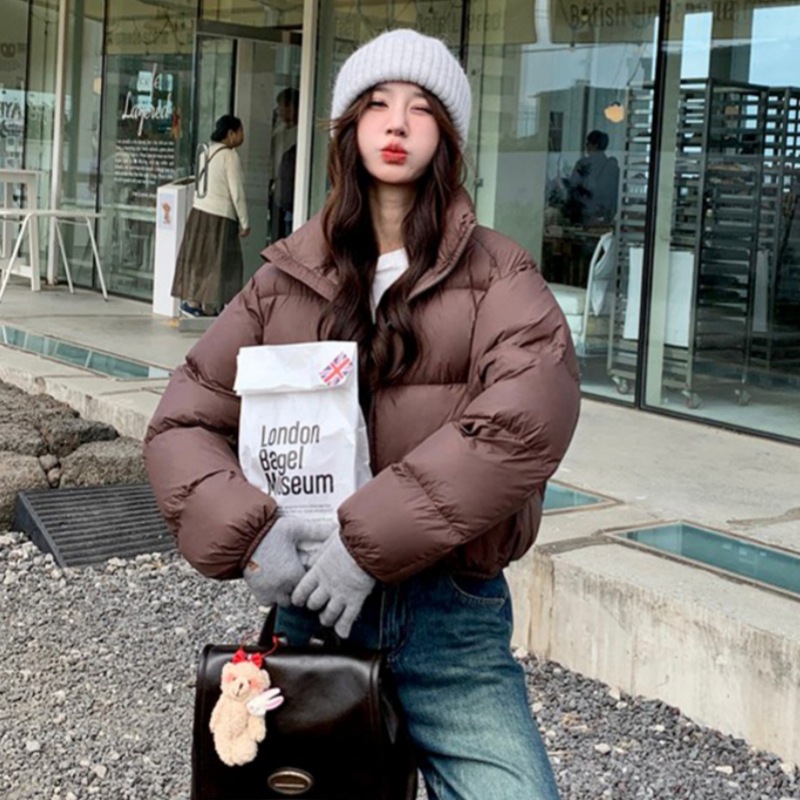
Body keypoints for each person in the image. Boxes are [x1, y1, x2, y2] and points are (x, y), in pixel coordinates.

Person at [145, 29, 580, 800]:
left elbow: (524, 421)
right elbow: (183, 423)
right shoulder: (283, 279)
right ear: (348, 127)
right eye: (377, 104)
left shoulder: (499, 273)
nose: (398, 122)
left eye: (422, 107)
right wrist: (251, 535)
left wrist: (368, 541)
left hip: (450, 620)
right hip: (313, 610)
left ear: (447, 135)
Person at [171, 114, 250, 317]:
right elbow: (237, 192)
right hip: (220, 216)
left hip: (199, 213)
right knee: (220, 262)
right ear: (231, 133)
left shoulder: (204, 152)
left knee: (200, 260)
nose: (243, 136)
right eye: (240, 131)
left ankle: (194, 303)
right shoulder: (230, 156)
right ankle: (212, 306)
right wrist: (244, 221)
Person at [564, 129, 620, 227]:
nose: (586, 147)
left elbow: (573, 186)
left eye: (588, 143)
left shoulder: (583, 163)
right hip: (605, 216)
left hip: (584, 213)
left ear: (595, 145)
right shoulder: (612, 166)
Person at [268, 88, 299, 241]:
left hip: (293, 191)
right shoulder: (278, 131)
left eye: (283, 106)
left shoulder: (302, 133)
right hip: (277, 190)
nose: (280, 110)